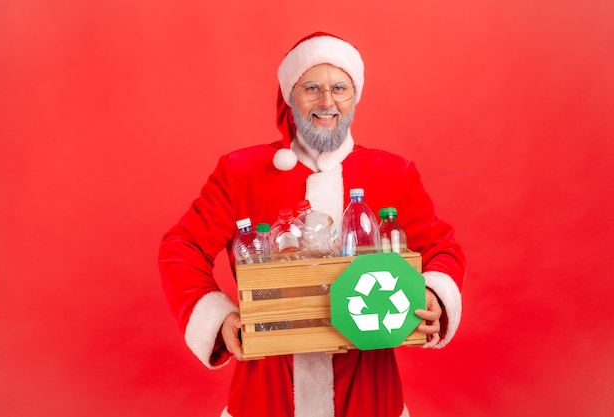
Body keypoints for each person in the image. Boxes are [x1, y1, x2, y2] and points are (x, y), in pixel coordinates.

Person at [159, 32, 466, 417]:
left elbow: (443, 248)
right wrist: (218, 317)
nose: (327, 102)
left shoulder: (395, 173)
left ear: (354, 97)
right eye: (312, 88)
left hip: (368, 388)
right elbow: (181, 247)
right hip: (267, 389)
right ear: (290, 96)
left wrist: (434, 294)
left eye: (340, 88)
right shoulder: (240, 172)